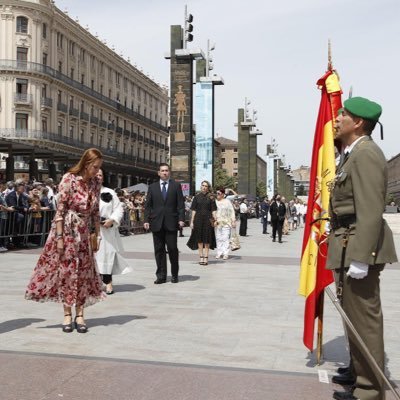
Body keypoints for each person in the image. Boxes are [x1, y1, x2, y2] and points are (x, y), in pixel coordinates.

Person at [326, 97, 397, 400]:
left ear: (358, 123)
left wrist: (362, 257)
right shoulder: (352, 153)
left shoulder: (366, 153)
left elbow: (370, 209)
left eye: (344, 114)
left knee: (364, 320)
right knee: (352, 317)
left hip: (357, 246)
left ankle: (369, 392)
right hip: (347, 243)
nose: (338, 117)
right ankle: (359, 372)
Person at [25, 148, 105, 333]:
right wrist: (59, 238)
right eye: (94, 167)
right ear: (86, 164)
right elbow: (60, 211)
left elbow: (95, 211)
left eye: (99, 167)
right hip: (68, 232)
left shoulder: (96, 182)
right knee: (67, 272)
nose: (97, 170)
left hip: (84, 234)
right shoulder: (69, 179)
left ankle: (81, 314)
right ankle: (67, 313)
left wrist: (98, 235)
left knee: (84, 273)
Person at [144, 163, 185, 284]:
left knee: (172, 249)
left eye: (166, 170)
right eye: (162, 171)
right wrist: (146, 220)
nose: (165, 173)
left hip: (171, 223)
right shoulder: (152, 187)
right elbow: (148, 206)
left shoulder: (176, 186)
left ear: (169, 172)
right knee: (159, 250)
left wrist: (181, 219)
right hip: (156, 223)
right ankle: (161, 276)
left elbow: (180, 205)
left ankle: (174, 275)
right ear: (158, 173)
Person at [95, 169, 132, 295]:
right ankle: (95, 284)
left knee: (106, 255)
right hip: (89, 230)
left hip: (106, 230)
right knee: (92, 257)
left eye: (100, 175)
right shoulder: (84, 192)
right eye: (95, 174)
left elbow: (119, 209)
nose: (98, 177)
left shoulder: (109, 192)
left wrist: (112, 220)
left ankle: (108, 281)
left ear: (103, 178)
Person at [187, 181, 217, 266]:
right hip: (198, 219)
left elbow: (213, 210)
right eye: (203, 185)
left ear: (208, 188)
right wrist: (192, 221)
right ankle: (201, 256)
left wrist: (215, 220)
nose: (204, 187)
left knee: (207, 239)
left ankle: (206, 257)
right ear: (201, 186)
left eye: (206, 186)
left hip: (208, 219)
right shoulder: (196, 197)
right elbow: (193, 210)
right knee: (199, 240)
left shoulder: (211, 197)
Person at [214, 188, 236, 260]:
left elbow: (231, 211)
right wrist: (214, 220)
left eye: (219, 193)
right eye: (216, 193)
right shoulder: (215, 202)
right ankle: (219, 252)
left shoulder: (227, 201)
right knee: (218, 238)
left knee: (225, 238)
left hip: (226, 223)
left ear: (223, 194)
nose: (217, 195)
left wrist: (233, 221)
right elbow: (214, 212)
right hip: (218, 222)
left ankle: (225, 253)